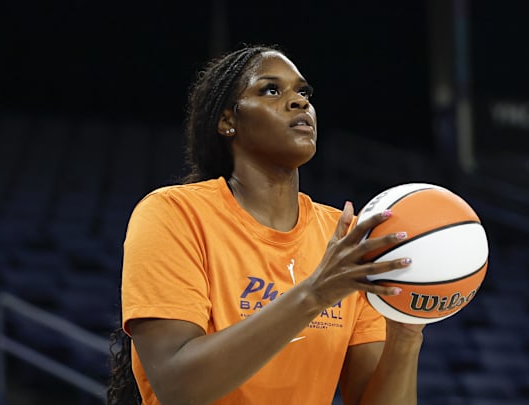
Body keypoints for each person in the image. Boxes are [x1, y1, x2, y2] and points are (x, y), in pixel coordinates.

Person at [107, 44, 425, 405]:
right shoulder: (173, 213)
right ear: (228, 121)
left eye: (303, 93)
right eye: (271, 90)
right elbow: (178, 386)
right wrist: (314, 293)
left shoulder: (345, 240)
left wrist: (406, 333)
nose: (299, 102)